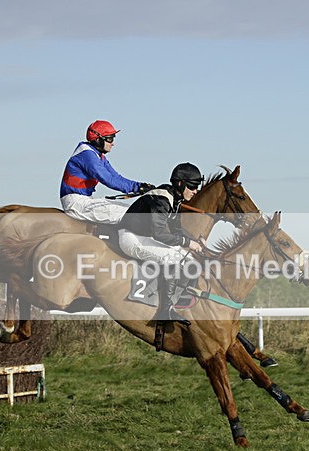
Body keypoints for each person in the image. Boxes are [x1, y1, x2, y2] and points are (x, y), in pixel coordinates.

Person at [118, 162, 205, 324]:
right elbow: (159, 234)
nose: (195, 191)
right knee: (173, 258)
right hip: (131, 238)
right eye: (192, 186)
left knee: (189, 259)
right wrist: (188, 242)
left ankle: (177, 302)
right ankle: (165, 311)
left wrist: (193, 242)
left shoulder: (175, 199)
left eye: (197, 187)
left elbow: (177, 230)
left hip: (144, 237)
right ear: (180, 183)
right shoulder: (162, 199)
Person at [60, 120, 154, 223]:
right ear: (97, 139)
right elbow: (108, 180)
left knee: (133, 209)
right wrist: (136, 188)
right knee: (132, 214)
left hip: (85, 200)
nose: (112, 143)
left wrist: (141, 185)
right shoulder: (87, 155)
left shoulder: (98, 155)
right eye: (109, 139)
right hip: (76, 203)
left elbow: (116, 177)